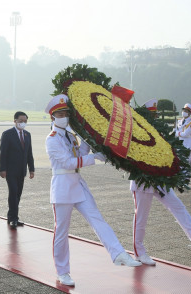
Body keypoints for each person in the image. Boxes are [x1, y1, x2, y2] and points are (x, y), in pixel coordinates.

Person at [45, 94, 141, 287]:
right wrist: (94, 158)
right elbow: (68, 162)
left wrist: (89, 141)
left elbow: (79, 154)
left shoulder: (71, 136)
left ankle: (119, 254)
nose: (64, 116)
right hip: (63, 187)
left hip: (78, 185)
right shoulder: (52, 139)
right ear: (52, 117)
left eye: (66, 113)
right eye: (60, 113)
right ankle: (62, 272)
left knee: (97, 219)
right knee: (62, 231)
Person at [132, 100, 191, 266]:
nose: (155, 117)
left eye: (155, 114)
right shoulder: (137, 132)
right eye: (152, 114)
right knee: (141, 218)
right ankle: (139, 252)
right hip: (143, 181)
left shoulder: (158, 130)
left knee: (178, 206)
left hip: (159, 179)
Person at [0, 111, 35, 229]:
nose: (23, 123)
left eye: (25, 121)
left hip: (21, 170)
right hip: (10, 170)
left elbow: (29, 153)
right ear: (15, 121)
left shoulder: (27, 135)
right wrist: (2, 169)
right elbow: (3, 153)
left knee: (18, 194)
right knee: (13, 193)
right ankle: (13, 218)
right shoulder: (7, 134)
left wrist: (31, 169)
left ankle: (12, 216)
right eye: (20, 121)